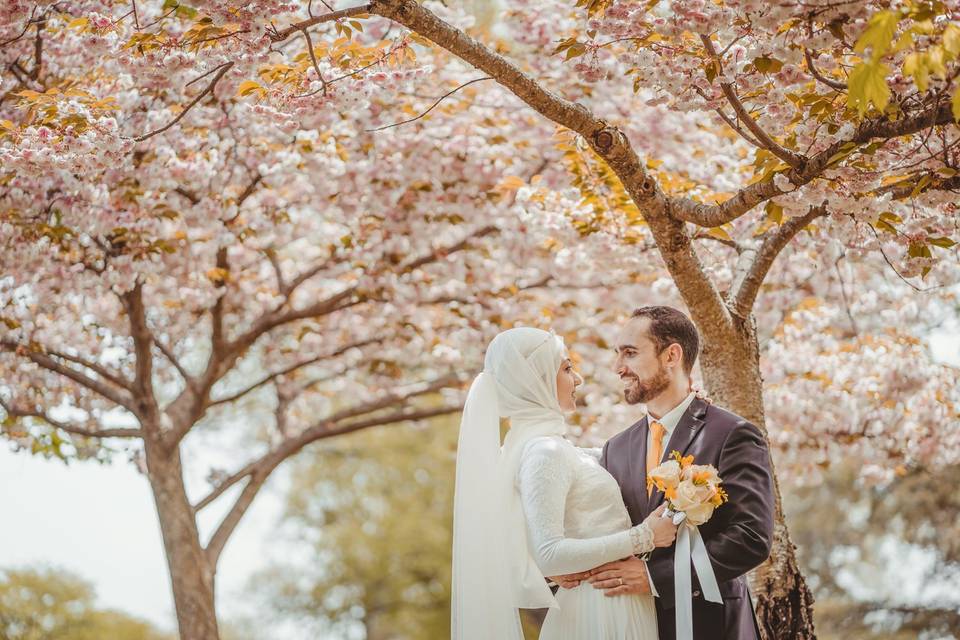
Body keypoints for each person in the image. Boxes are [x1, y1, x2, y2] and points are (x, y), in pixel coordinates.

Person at [451, 326, 677, 640]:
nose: (579, 379)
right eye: (567, 368)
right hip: (601, 608)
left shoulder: (551, 448)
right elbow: (550, 553)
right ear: (537, 379)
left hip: (613, 600)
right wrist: (645, 537)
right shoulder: (545, 451)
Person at [572, 306, 775, 640]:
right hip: (635, 625)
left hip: (714, 625)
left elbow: (751, 538)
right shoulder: (616, 448)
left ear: (672, 355)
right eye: (618, 354)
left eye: (631, 353)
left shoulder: (732, 433)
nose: (618, 367)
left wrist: (655, 577)